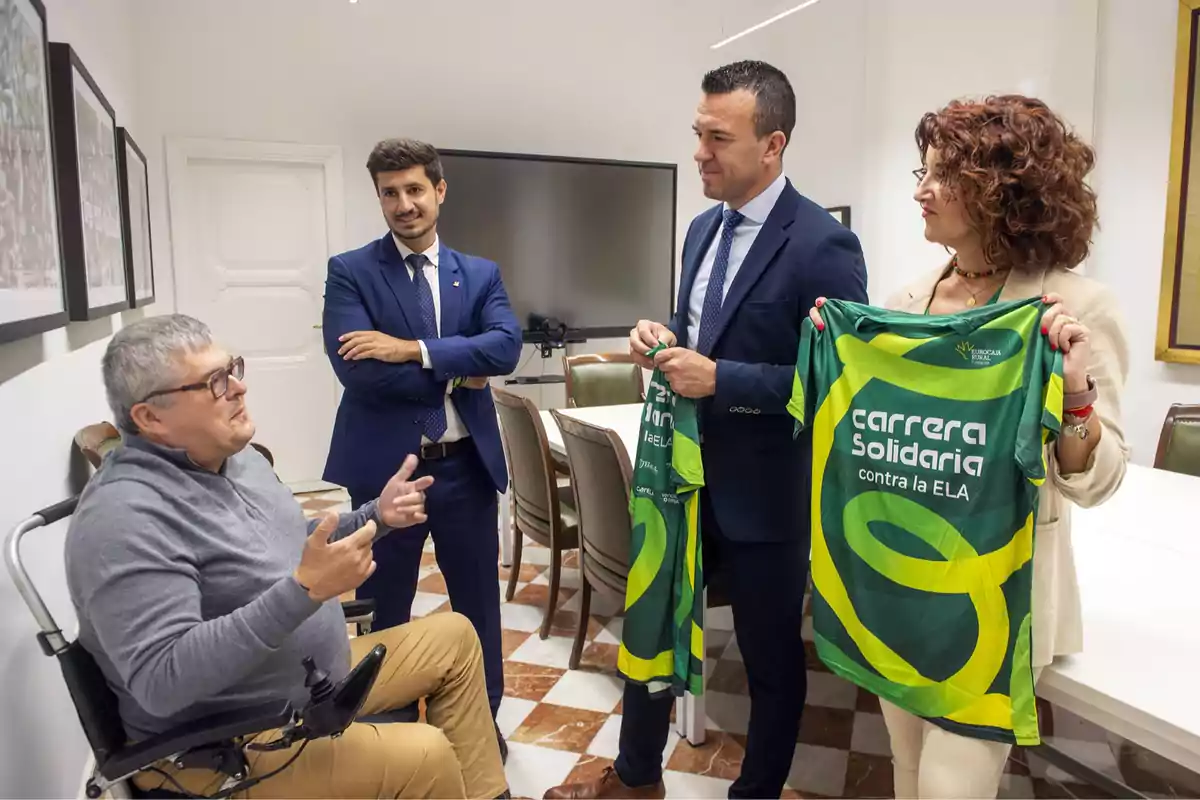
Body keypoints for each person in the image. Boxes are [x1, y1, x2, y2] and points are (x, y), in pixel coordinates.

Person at [545, 60, 868, 800]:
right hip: (679, 482)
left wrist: (724, 380)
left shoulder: (824, 247)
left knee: (769, 664)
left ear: (773, 144)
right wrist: (659, 338)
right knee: (653, 624)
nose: (700, 152)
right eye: (697, 133)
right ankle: (634, 778)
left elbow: (838, 385)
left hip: (765, 501)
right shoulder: (699, 230)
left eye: (718, 138)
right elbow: (701, 331)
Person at [808, 94, 1130, 799]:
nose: (920, 192)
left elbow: (1098, 481)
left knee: (953, 788)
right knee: (909, 770)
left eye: (940, 177)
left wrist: (1075, 396)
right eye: (918, 173)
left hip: (996, 600)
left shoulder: (1071, 306)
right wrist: (840, 349)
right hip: (905, 587)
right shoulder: (906, 300)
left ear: (1002, 190)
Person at [65, 314, 509, 799]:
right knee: (426, 753)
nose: (238, 388)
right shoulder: (125, 518)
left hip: (309, 685)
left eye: (232, 368)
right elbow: (161, 679)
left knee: (457, 639)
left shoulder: (233, 458)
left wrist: (375, 517)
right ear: (151, 418)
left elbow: (285, 540)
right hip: (224, 743)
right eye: (214, 383)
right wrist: (304, 592)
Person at [321, 138, 522, 725]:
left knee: (478, 607)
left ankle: (482, 720)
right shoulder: (351, 271)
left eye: (414, 190)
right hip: (388, 473)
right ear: (379, 198)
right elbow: (357, 373)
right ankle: (391, 722)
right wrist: (462, 373)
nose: (404, 204)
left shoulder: (480, 274)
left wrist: (410, 349)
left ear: (439, 190)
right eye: (390, 193)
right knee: (387, 606)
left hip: (465, 468)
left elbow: (506, 348)